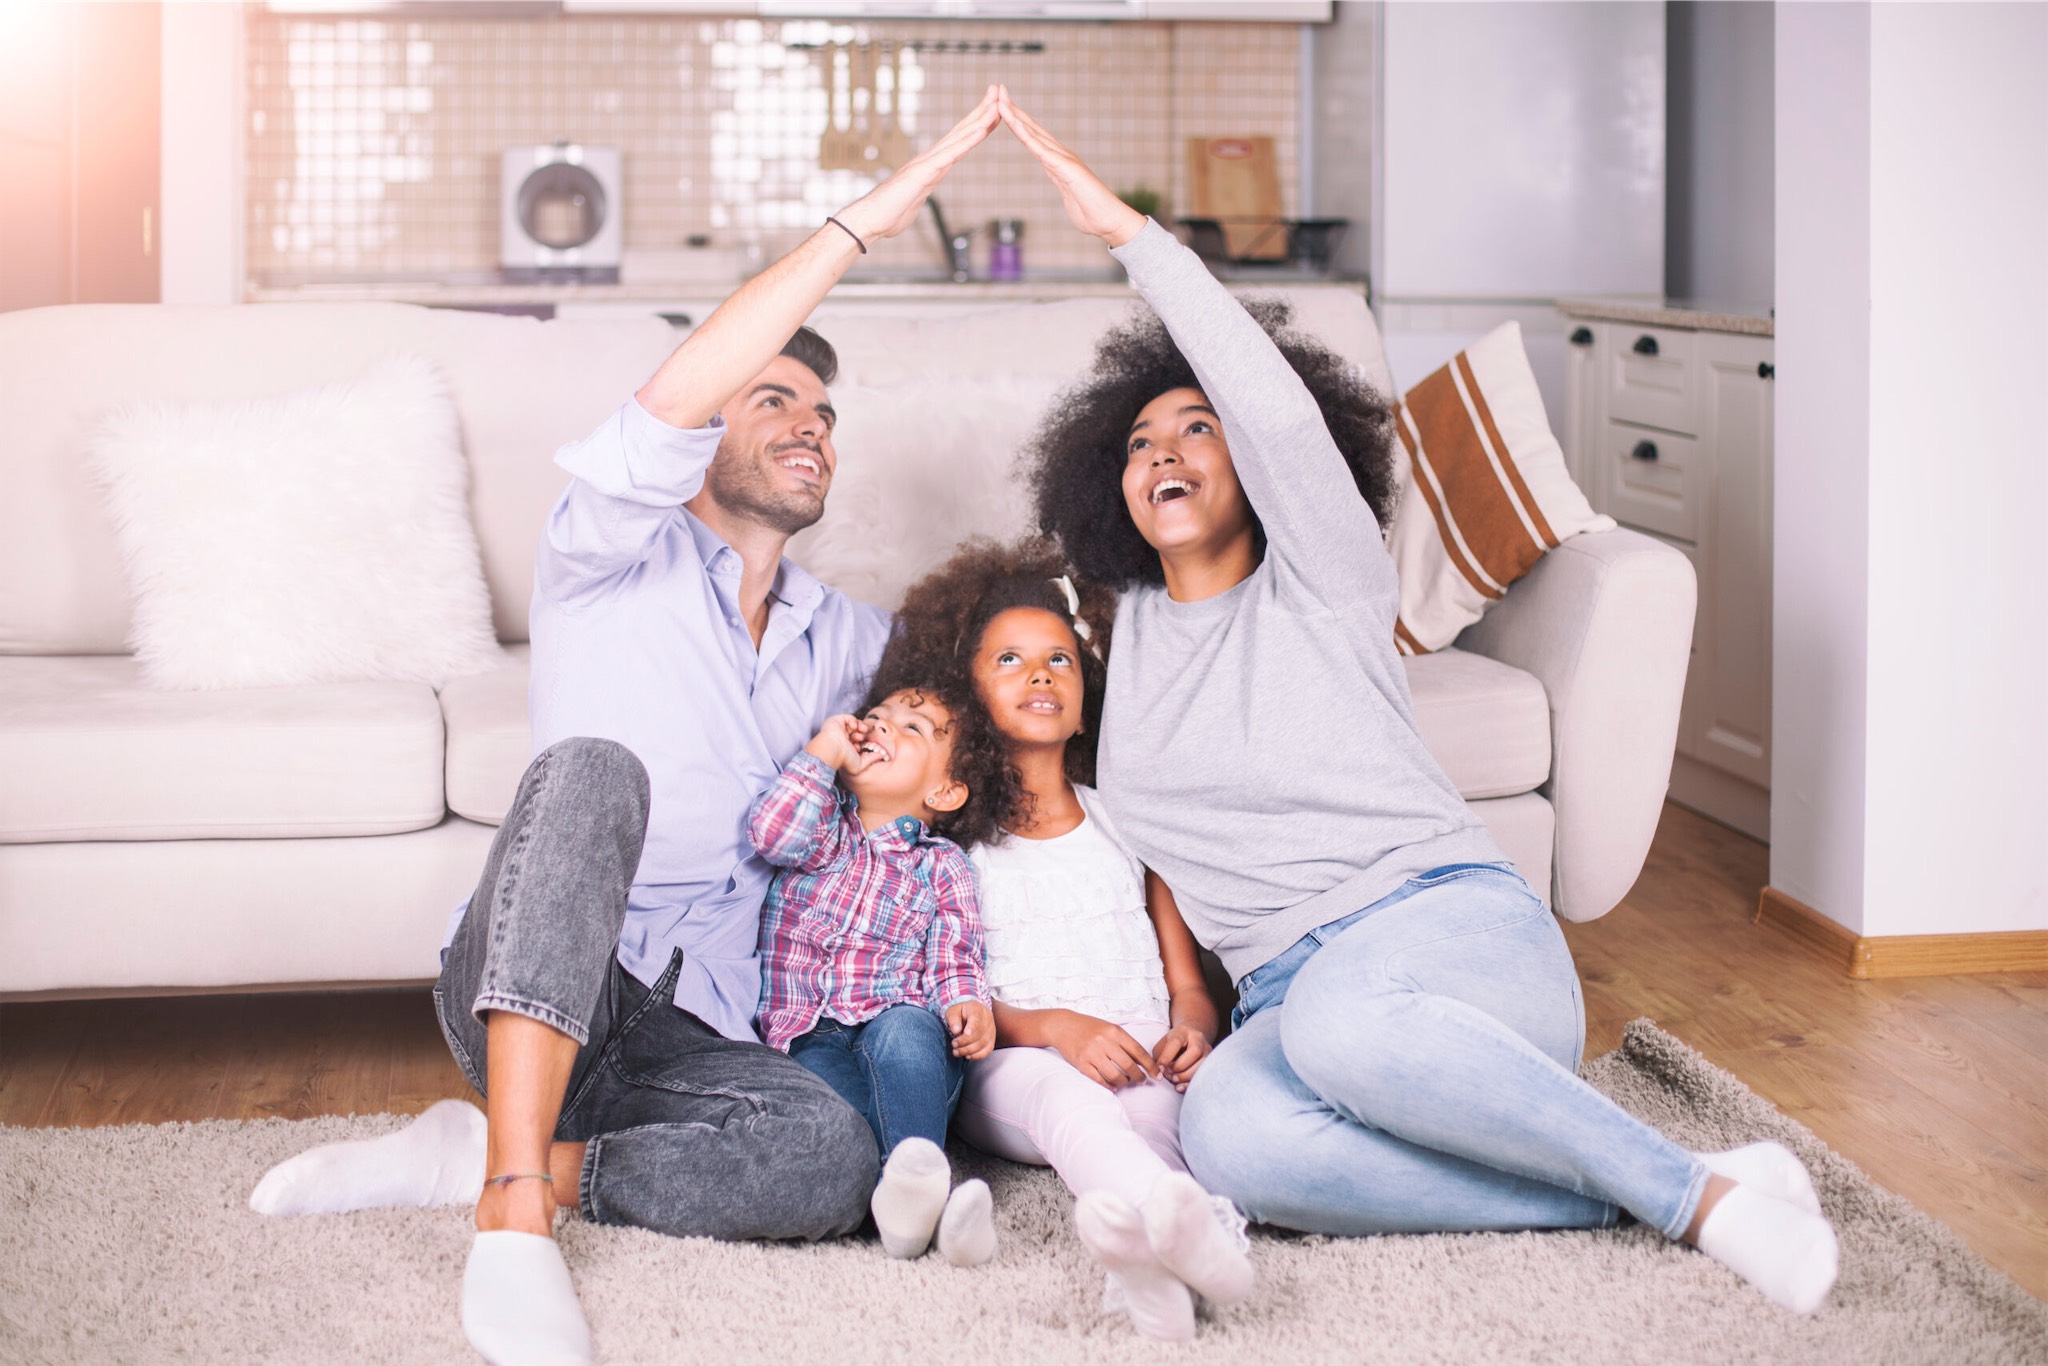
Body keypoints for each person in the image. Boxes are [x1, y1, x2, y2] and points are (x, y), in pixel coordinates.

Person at [1002, 89, 1841, 1317]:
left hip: (1448, 938)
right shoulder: (1122, 655)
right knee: (1235, 1144)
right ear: (1107, 485)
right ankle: (1661, 1183)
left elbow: (1275, 408)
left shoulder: (1324, 580)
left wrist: (1134, 239)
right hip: (1287, 994)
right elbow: (1155, 858)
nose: (1164, 451)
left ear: (1255, 461)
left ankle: (1699, 1208)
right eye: (1137, 442)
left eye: (1197, 426)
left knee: (1346, 1031)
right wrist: (1191, 1001)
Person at [247, 87, 1011, 1366]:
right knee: (598, 769)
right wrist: (869, 219)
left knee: (832, 1159)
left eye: (822, 416)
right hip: (539, 979)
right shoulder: (601, 553)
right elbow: (676, 396)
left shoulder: (854, 646)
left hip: (703, 1029)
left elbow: (994, 697)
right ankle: (510, 1222)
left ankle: (503, 1156)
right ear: (704, 427)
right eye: (771, 402)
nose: (808, 429)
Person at [874, 536, 1253, 1342]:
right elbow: (949, 995)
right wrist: (1055, 1029)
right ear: (968, 694)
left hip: (1141, 1052)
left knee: (1164, 1127)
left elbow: (1186, 979)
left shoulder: (1129, 820)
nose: (1039, 673)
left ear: (1087, 698)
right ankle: (1199, 1236)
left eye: (1060, 661)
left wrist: (1192, 1028)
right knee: (1069, 1100)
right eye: (1008, 659)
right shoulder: (953, 843)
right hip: (1014, 1069)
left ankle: (1144, 1275)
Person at [747, 687, 1000, 1266]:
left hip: (897, 1018)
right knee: (839, 1121)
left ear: (944, 790)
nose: (881, 727)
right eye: (875, 717)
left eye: (911, 730)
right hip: (807, 1032)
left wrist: (968, 1000)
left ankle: (919, 1188)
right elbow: (770, 833)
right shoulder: (822, 830)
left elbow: (955, 947)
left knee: (909, 1035)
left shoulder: (941, 864)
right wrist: (824, 751)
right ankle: (917, 1212)